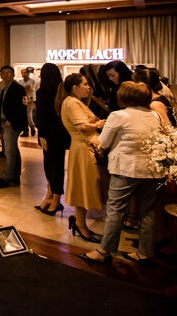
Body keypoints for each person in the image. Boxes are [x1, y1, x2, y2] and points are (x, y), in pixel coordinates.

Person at [78, 81, 165, 264]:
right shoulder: (155, 115)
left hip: (126, 169)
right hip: (152, 170)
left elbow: (104, 141)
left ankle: (104, 251)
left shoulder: (119, 115)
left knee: (115, 210)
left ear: (124, 96)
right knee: (148, 212)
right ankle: (145, 252)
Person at [60, 73, 107, 242]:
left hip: (84, 148)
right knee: (83, 187)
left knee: (85, 187)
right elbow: (82, 126)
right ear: (75, 87)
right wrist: (98, 124)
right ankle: (80, 224)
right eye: (85, 84)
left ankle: (79, 221)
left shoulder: (75, 102)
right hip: (83, 150)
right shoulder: (72, 103)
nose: (88, 87)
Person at [34, 63, 71, 216]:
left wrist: (41, 135)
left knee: (51, 166)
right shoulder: (63, 91)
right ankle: (50, 197)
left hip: (49, 134)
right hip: (61, 133)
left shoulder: (43, 92)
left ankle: (55, 200)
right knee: (57, 165)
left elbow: (42, 117)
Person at [0, 65, 28, 189]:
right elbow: (2, 107)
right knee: (13, 150)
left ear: (13, 75)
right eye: (3, 73)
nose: (6, 75)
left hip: (11, 124)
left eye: (9, 73)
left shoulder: (18, 88)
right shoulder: (4, 89)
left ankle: (6, 177)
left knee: (9, 151)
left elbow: (22, 106)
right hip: (4, 122)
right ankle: (15, 175)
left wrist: (12, 121)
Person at [18, 67, 37, 136]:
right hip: (22, 98)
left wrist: (23, 88)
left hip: (29, 99)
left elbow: (28, 88)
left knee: (28, 114)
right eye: (22, 73)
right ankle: (25, 130)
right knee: (22, 115)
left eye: (25, 73)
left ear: (28, 73)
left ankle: (32, 127)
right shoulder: (20, 81)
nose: (24, 74)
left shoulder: (32, 81)